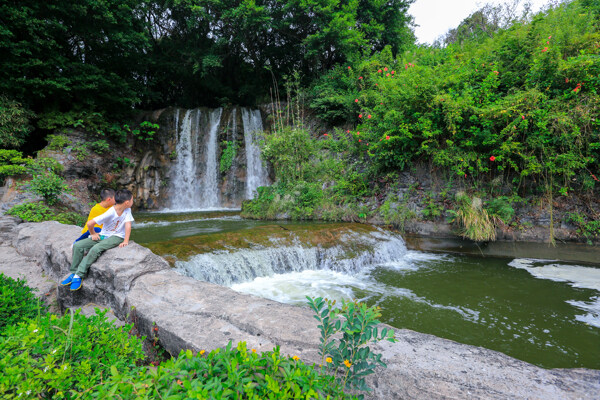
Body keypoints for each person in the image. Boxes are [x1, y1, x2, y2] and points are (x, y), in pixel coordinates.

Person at [61, 189, 135, 291]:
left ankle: (79, 275)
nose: (133, 202)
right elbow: (90, 223)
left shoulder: (127, 210)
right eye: (132, 200)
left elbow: (128, 225)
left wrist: (125, 240)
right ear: (127, 203)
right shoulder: (110, 212)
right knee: (78, 245)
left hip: (117, 237)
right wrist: (93, 234)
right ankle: (74, 272)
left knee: (96, 248)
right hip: (104, 235)